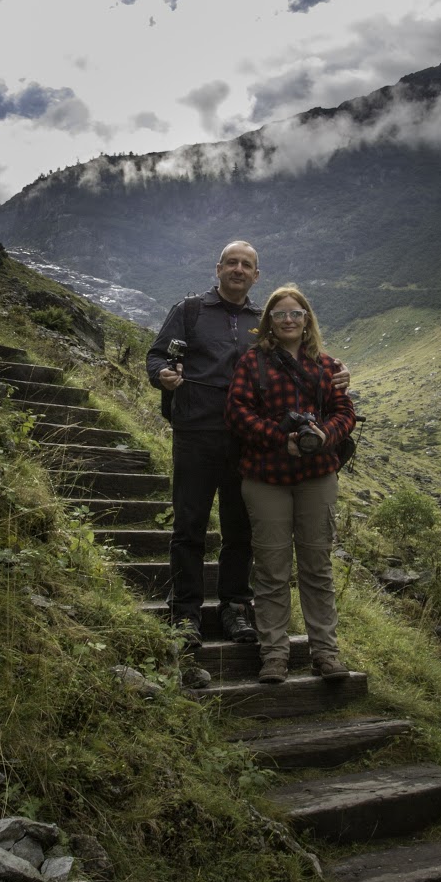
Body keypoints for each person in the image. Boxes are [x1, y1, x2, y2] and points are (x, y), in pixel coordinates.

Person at [226, 284, 356, 684]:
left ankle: (326, 654)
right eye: (280, 313)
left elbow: (345, 412)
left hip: (316, 476)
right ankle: (274, 656)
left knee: (317, 567)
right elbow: (237, 412)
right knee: (271, 568)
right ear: (268, 321)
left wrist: (323, 437)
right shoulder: (252, 363)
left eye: (295, 314)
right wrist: (279, 438)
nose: (287, 320)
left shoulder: (327, 366)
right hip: (266, 477)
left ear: (306, 320)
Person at [147, 241, 265, 649]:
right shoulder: (190, 310)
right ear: (218, 268)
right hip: (195, 432)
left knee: (240, 529)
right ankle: (185, 614)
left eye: (246, 265)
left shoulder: (261, 320)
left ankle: (235, 608)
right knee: (189, 525)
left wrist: (335, 371)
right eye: (231, 262)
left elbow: (294, 362)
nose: (238, 269)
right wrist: (162, 374)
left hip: (246, 440)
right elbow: (155, 356)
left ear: (255, 274)